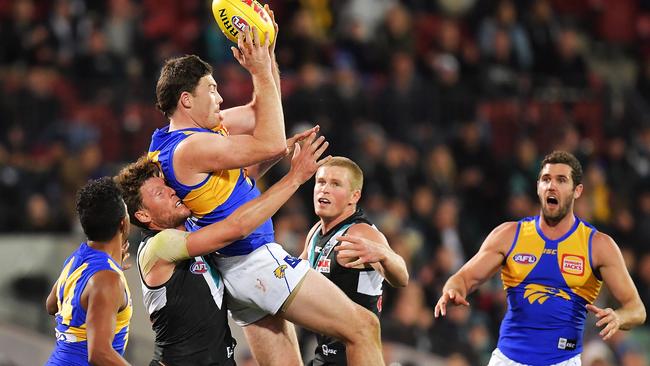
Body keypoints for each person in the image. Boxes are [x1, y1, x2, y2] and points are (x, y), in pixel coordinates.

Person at [148, 12, 383, 366]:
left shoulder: (187, 136)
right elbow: (271, 141)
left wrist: (267, 52)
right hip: (254, 261)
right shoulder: (190, 148)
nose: (219, 98)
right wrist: (258, 72)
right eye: (211, 90)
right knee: (364, 327)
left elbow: (262, 111)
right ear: (186, 100)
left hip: (239, 268)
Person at [116, 133, 329, 366]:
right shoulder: (160, 245)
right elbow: (237, 227)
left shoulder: (190, 229)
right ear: (143, 215)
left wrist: (279, 151)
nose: (171, 192)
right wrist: (295, 177)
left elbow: (241, 186)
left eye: (166, 187)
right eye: (159, 193)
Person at [435, 151, 646, 366]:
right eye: (546, 179)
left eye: (561, 180)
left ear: (577, 191)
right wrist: (452, 291)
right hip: (507, 360)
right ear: (538, 187)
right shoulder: (509, 235)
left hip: (562, 360)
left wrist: (619, 317)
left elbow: (636, 309)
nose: (551, 186)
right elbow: (462, 278)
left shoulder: (599, 245)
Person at [300, 156, 409, 365]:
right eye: (321, 182)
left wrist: (384, 255)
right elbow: (294, 278)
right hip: (323, 355)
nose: (324, 189)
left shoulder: (360, 233)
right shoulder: (316, 231)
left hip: (353, 358)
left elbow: (402, 277)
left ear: (354, 196)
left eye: (335, 184)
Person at [45, 177, 132, 365]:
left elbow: (52, 305)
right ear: (123, 223)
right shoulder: (107, 279)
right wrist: (107, 277)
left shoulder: (76, 259)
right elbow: (100, 354)